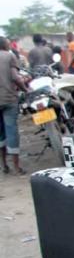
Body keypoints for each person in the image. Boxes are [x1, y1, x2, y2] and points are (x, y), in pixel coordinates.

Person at [0, 37, 28, 175]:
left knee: (0, 133)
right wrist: (25, 90)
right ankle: (17, 167)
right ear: (5, 45)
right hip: (9, 98)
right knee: (11, 131)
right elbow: (16, 78)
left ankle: (4, 165)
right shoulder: (9, 56)